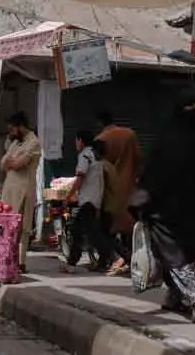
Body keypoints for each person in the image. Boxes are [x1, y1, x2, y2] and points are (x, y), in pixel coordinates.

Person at [137, 92, 195, 324]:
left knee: (176, 254)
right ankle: (174, 294)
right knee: (180, 252)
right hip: (193, 208)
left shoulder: (168, 139)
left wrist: (141, 201)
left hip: (168, 209)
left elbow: (152, 174)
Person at [95, 109, 142, 275]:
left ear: (100, 123)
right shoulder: (130, 134)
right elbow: (138, 157)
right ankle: (132, 259)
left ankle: (117, 259)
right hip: (130, 186)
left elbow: (99, 167)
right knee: (130, 226)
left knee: (107, 228)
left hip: (111, 189)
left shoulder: (100, 140)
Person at [64, 130, 113, 273]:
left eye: (76, 140)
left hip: (88, 200)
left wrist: (68, 196)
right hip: (95, 198)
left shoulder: (84, 155)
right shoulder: (95, 154)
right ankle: (104, 259)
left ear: (81, 141)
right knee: (91, 232)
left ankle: (73, 262)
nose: (75, 144)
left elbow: (80, 178)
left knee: (78, 231)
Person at [0, 111, 42, 271]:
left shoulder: (34, 142)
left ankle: (20, 262)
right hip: (9, 189)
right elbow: (3, 163)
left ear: (20, 127)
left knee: (22, 228)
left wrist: (12, 161)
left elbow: (19, 163)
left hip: (24, 189)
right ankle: (8, 259)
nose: (10, 133)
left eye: (12, 129)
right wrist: (11, 161)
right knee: (8, 226)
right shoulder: (16, 143)